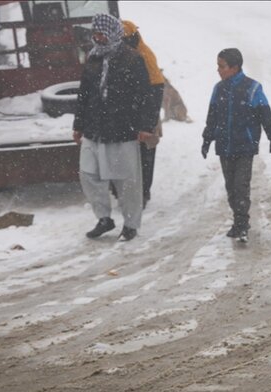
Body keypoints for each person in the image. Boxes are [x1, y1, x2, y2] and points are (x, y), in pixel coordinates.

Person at [72, 14, 158, 241]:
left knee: (126, 180)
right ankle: (104, 218)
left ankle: (131, 224)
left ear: (113, 33)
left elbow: (145, 95)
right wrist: (78, 124)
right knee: (88, 174)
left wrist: (145, 126)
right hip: (94, 129)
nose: (98, 38)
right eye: (95, 34)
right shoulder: (92, 58)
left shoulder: (132, 59)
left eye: (102, 34)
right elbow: (84, 94)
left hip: (122, 128)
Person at [200, 48, 271, 242]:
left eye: (222, 66)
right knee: (230, 187)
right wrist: (207, 138)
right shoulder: (218, 89)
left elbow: (265, 114)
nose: (218, 70)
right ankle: (238, 220)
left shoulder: (253, 88)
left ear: (234, 67)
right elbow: (212, 117)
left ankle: (242, 223)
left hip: (245, 146)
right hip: (224, 146)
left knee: (241, 186)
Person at [121, 20, 164, 209]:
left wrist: (149, 121)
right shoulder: (126, 55)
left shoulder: (144, 55)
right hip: (133, 114)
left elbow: (156, 88)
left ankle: (144, 192)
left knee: (146, 153)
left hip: (147, 113)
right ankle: (133, 192)